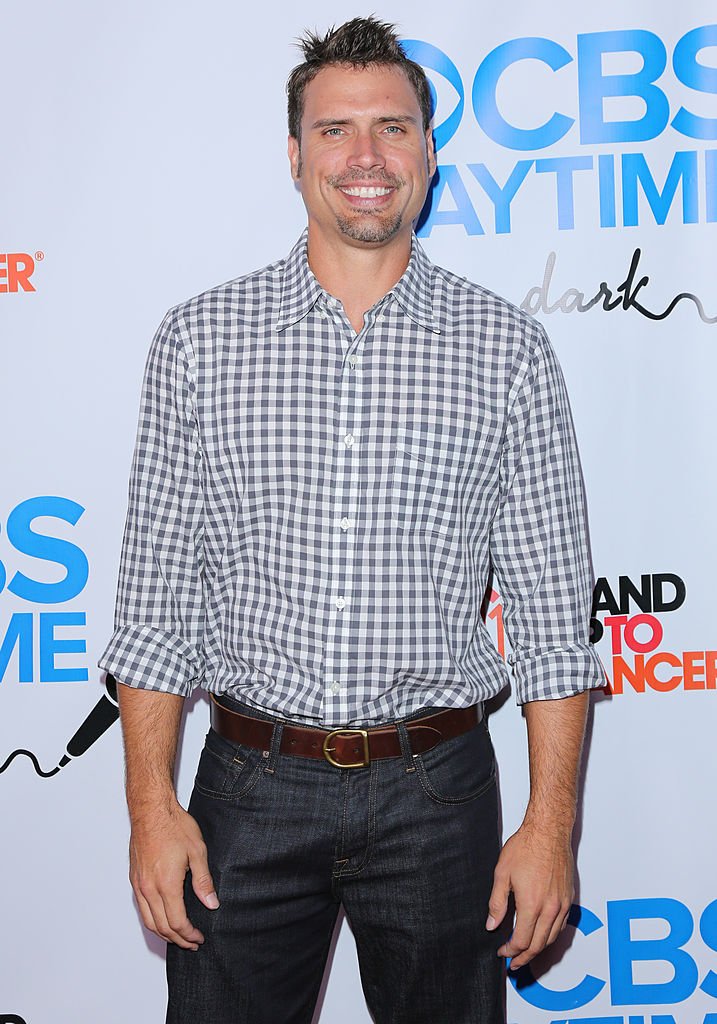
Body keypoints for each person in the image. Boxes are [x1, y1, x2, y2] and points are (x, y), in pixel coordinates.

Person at [99, 16, 606, 1024]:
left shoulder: (506, 352)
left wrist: (551, 829)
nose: (366, 157)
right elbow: (156, 602)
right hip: (247, 787)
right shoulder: (200, 343)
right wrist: (151, 811)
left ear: (427, 152)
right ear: (294, 156)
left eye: (393, 126)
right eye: (335, 131)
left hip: (439, 794)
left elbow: (553, 625)